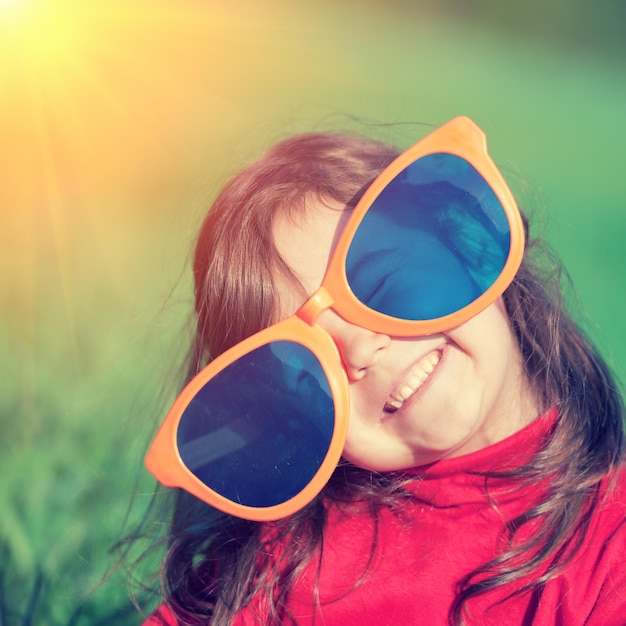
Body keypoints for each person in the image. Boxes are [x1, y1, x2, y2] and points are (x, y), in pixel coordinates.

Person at [140, 117, 626, 625]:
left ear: (466, 243)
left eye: (385, 284)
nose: (360, 350)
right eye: (308, 369)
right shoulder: (282, 567)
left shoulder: (611, 548)